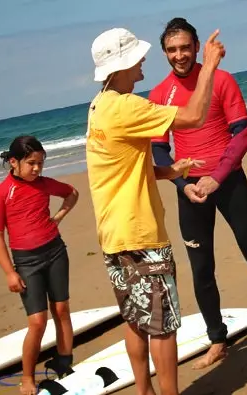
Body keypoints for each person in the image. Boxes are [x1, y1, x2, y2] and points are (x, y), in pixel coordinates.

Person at [149, 17, 247, 369]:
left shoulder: (222, 79)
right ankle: (217, 339)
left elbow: (242, 134)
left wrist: (216, 177)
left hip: (228, 183)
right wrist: (184, 185)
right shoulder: (159, 95)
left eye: (185, 47)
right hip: (191, 192)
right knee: (201, 269)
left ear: (197, 45)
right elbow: (159, 150)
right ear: (164, 53)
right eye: (172, 49)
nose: (180, 55)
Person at [85, 25, 225, 395]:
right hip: (140, 233)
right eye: (137, 55)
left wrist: (169, 171)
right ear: (123, 64)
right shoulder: (128, 106)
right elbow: (194, 115)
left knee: (135, 320)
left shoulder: (99, 105)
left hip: (113, 233)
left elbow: (122, 165)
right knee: (162, 324)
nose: (144, 59)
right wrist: (208, 64)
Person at [0, 135, 79, 395]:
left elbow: (72, 193)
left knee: (61, 309)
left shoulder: (44, 184)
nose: (37, 169)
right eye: (32, 163)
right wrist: (9, 272)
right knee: (38, 321)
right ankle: (27, 377)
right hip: (26, 262)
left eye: (41, 163)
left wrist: (59, 217)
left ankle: (64, 361)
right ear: (14, 162)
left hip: (55, 251)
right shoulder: (1, 194)